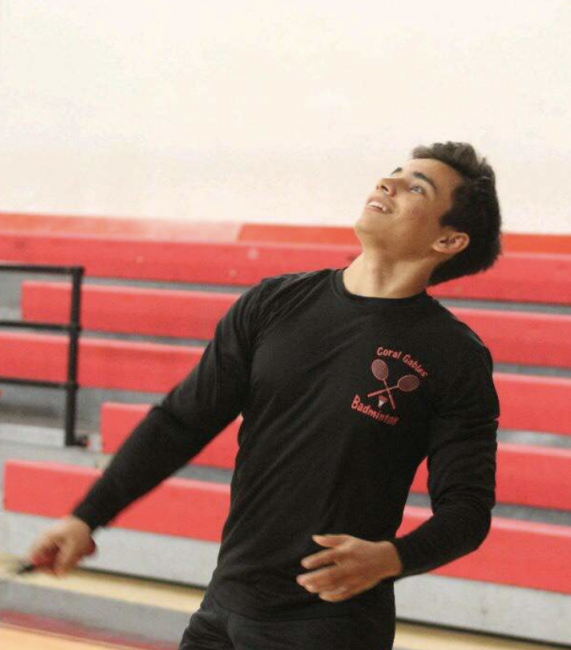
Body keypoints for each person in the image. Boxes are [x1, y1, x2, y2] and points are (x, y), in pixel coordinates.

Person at [28, 140, 502, 650]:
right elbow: (179, 422)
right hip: (223, 608)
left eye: (416, 187)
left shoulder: (454, 356)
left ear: (449, 241)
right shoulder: (273, 303)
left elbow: (467, 511)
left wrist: (392, 558)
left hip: (329, 627)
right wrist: (86, 515)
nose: (387, 184)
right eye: (393, 174)